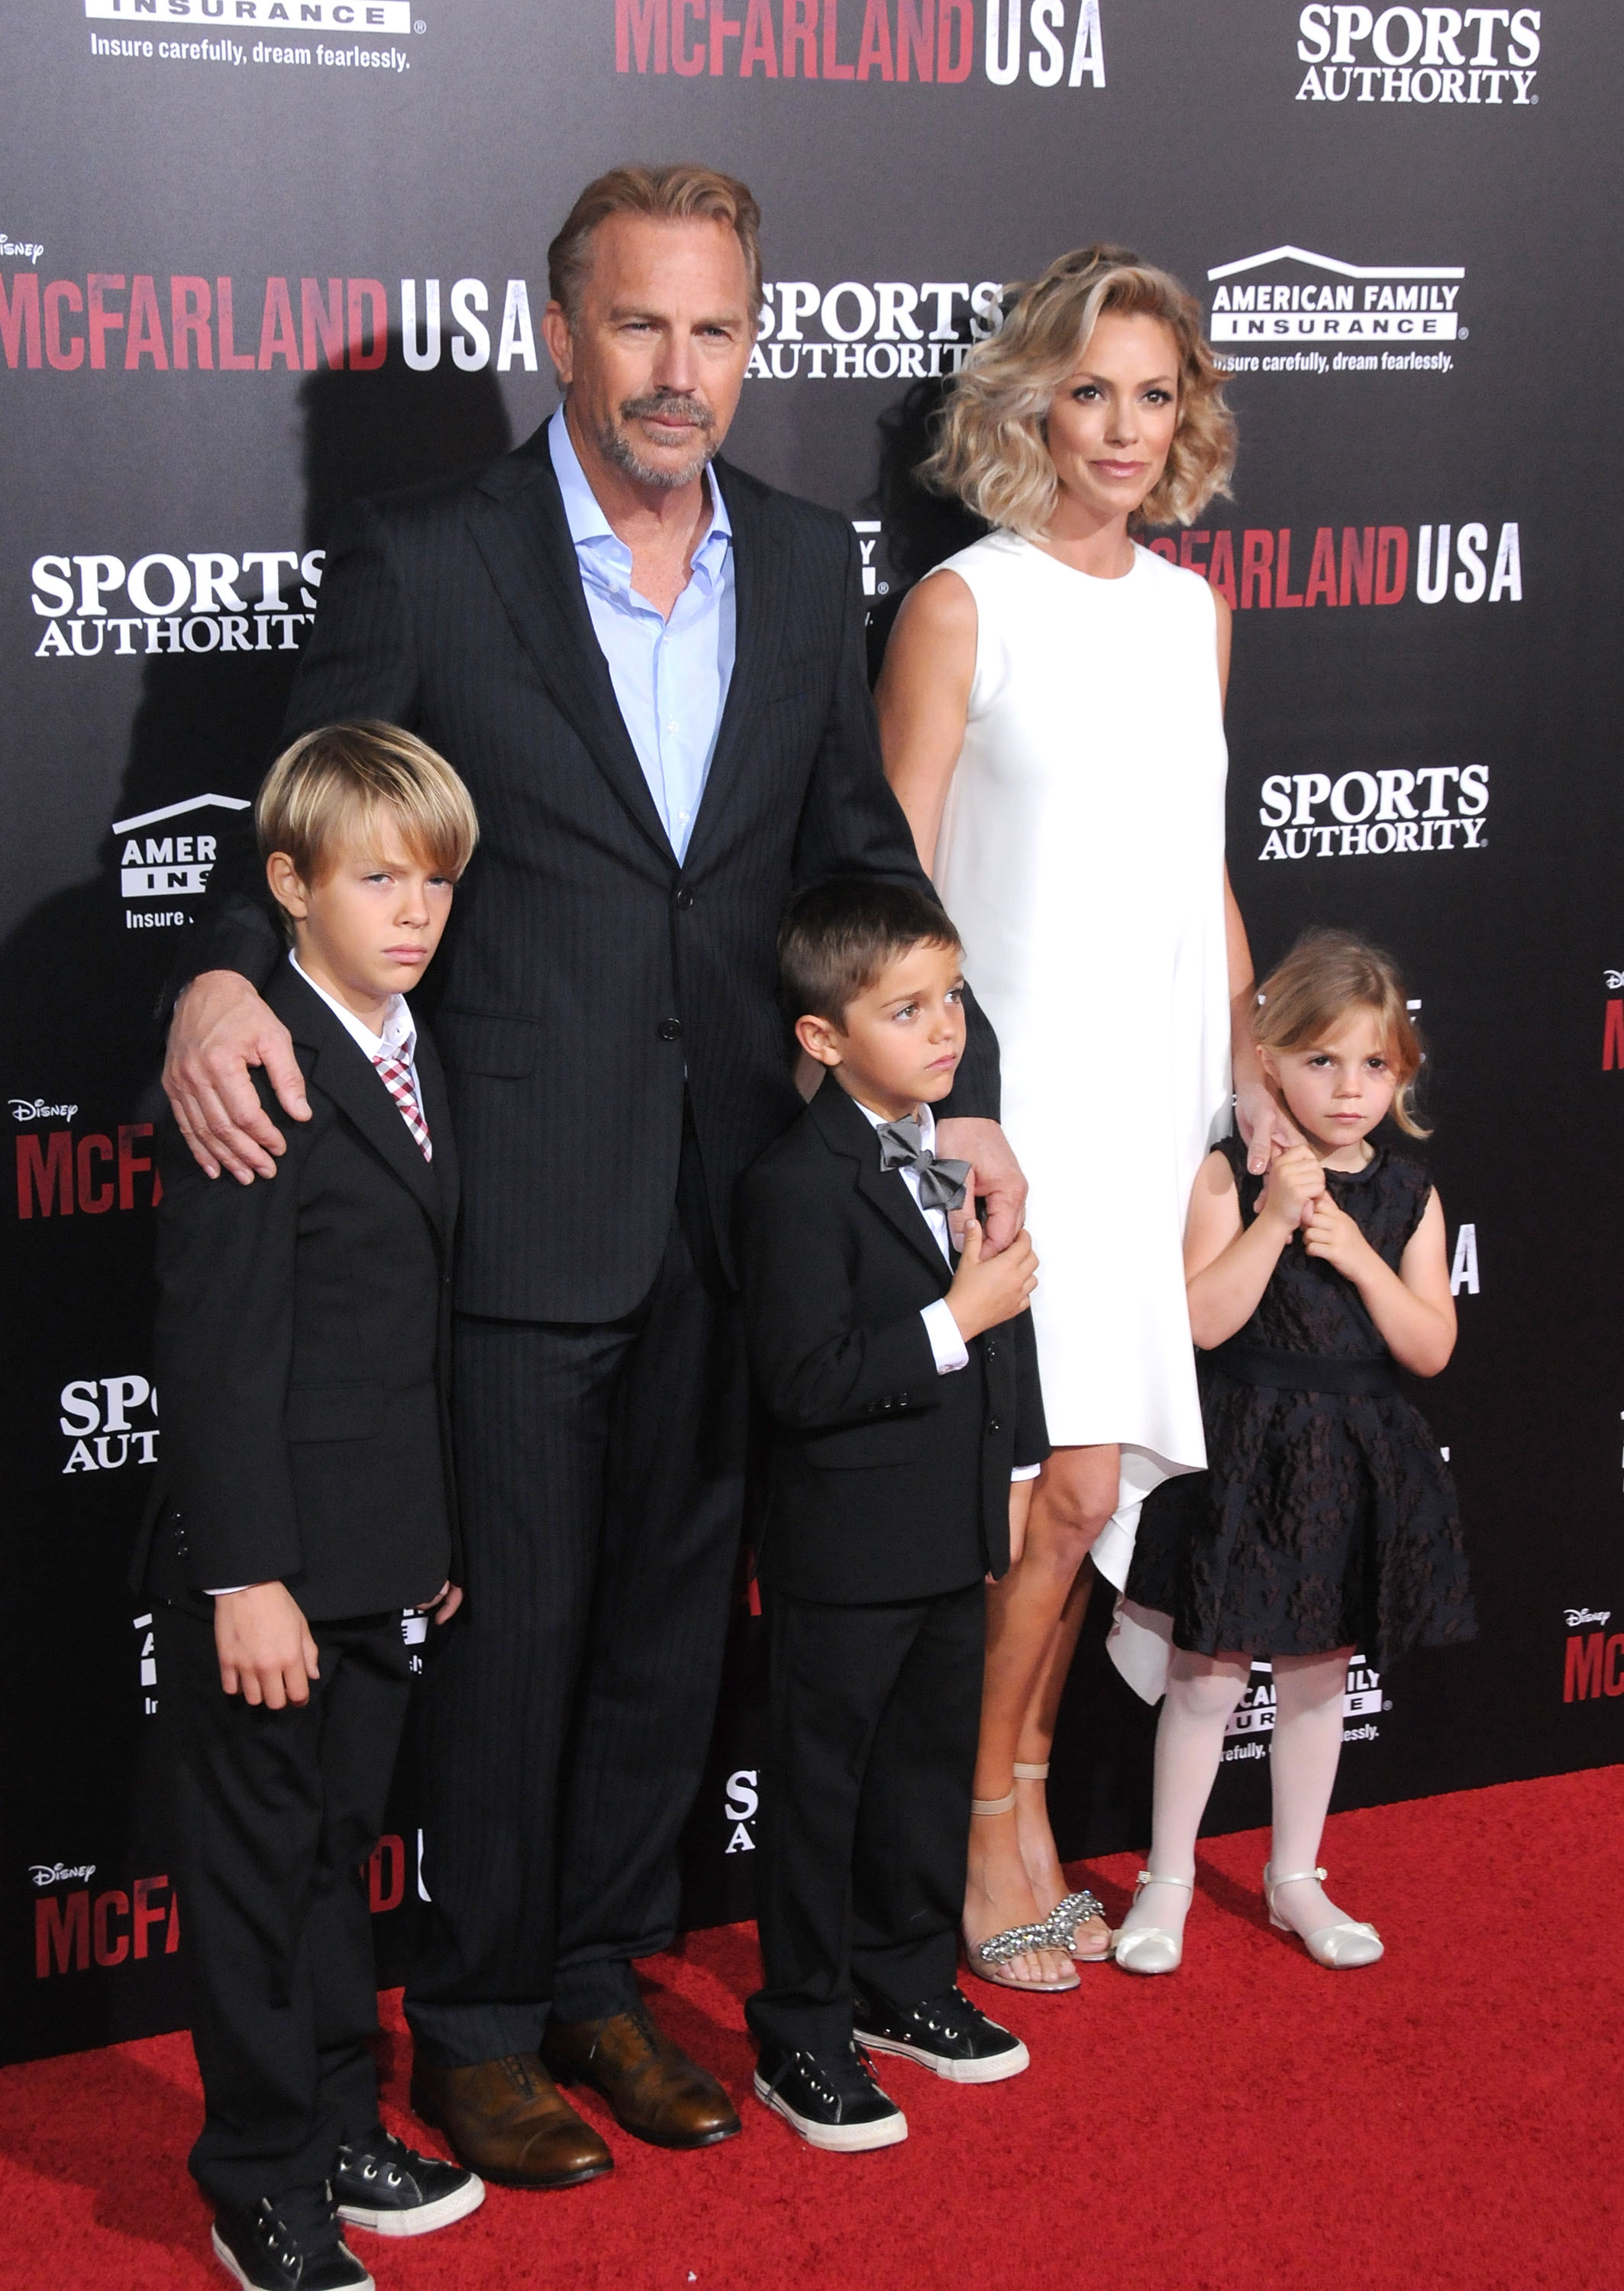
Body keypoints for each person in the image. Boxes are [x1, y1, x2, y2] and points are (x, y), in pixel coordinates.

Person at [159, 163, 1025, 2186]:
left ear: (751, 344)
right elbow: (309, 806)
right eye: (638, 325)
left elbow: (854, 853)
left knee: (662, 1641)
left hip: (743, 1203)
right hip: (521, 1212)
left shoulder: (815, 565)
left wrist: (949, 1074)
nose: (677, 371)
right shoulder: (432, 554)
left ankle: (600, 1981)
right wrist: (217, 977)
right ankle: (467, 2024)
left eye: (715, 330)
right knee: (521, 1645)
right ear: (559, 332)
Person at [876, 244, 1292, 1989]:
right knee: (1032, 1500)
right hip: (1012, 1114)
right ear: (1028, 398)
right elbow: (887, 884)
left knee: (1090, 1489)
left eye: (1154, 392)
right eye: (1090, 389)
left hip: (1147, 1109)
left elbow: (1193, 861)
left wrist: (1250, 1057)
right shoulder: (963, 606)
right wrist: (940, 1104)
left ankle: (1027, 1790)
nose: (1123, 427)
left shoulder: (1193, 613)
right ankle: (979, 1830)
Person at [137, 724, 485, 2290]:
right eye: (376, 879)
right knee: (259, 1875)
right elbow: (217, 1352)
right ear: (284, 886)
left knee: (339, 1852)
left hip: (380, 1552)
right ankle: (259, 2175)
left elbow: (405, 1332)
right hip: (270, 1567)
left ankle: (341, 2121)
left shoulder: (414, 1047)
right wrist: (246, 1576)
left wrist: (432, 1549)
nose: (414, 911)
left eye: (435, 882)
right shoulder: (254, 1062)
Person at [735, 878, 1047, 2150]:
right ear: (822, 1037)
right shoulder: (792, 1186)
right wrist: (951, 1320)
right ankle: (801, 2030)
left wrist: (1017, 1475)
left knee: (923, 1774)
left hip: (949, 1532)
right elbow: (804, 1383)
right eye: (906, 1009)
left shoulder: (957, 1152)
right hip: (842, 1552)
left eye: (953, 997)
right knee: (821, 1795)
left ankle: (905, 1985)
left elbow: (1009, 1326)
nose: (944, 1029)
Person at [1115, 932, 1475, 1974]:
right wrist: (1274, 1220)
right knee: (1206, 1682)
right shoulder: (1230, 1175)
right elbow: (1201, 1321)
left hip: (1353, 1464)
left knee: (1321, 1682)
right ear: (1268, 1058)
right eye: (1322, 1062)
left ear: (1402, 1072)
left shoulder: (1408, 1194)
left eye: (1374, 1065)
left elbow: (1432, 1344)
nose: (1350, 1088)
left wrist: (1361, 1256)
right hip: (1245, 1453)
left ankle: (1295, 1877)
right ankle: (1168, 1880)